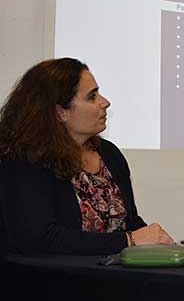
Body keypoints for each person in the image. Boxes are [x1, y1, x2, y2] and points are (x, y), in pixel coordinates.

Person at [0, 58, 174, 256]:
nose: (105, 102)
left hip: (118, 278)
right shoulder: (26, 160)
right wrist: (129, 241)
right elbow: (39, 239)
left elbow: (130, 223)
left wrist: (159, 242)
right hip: (56, 282)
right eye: (92, 96)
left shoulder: (109, 154)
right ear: (60, 112)